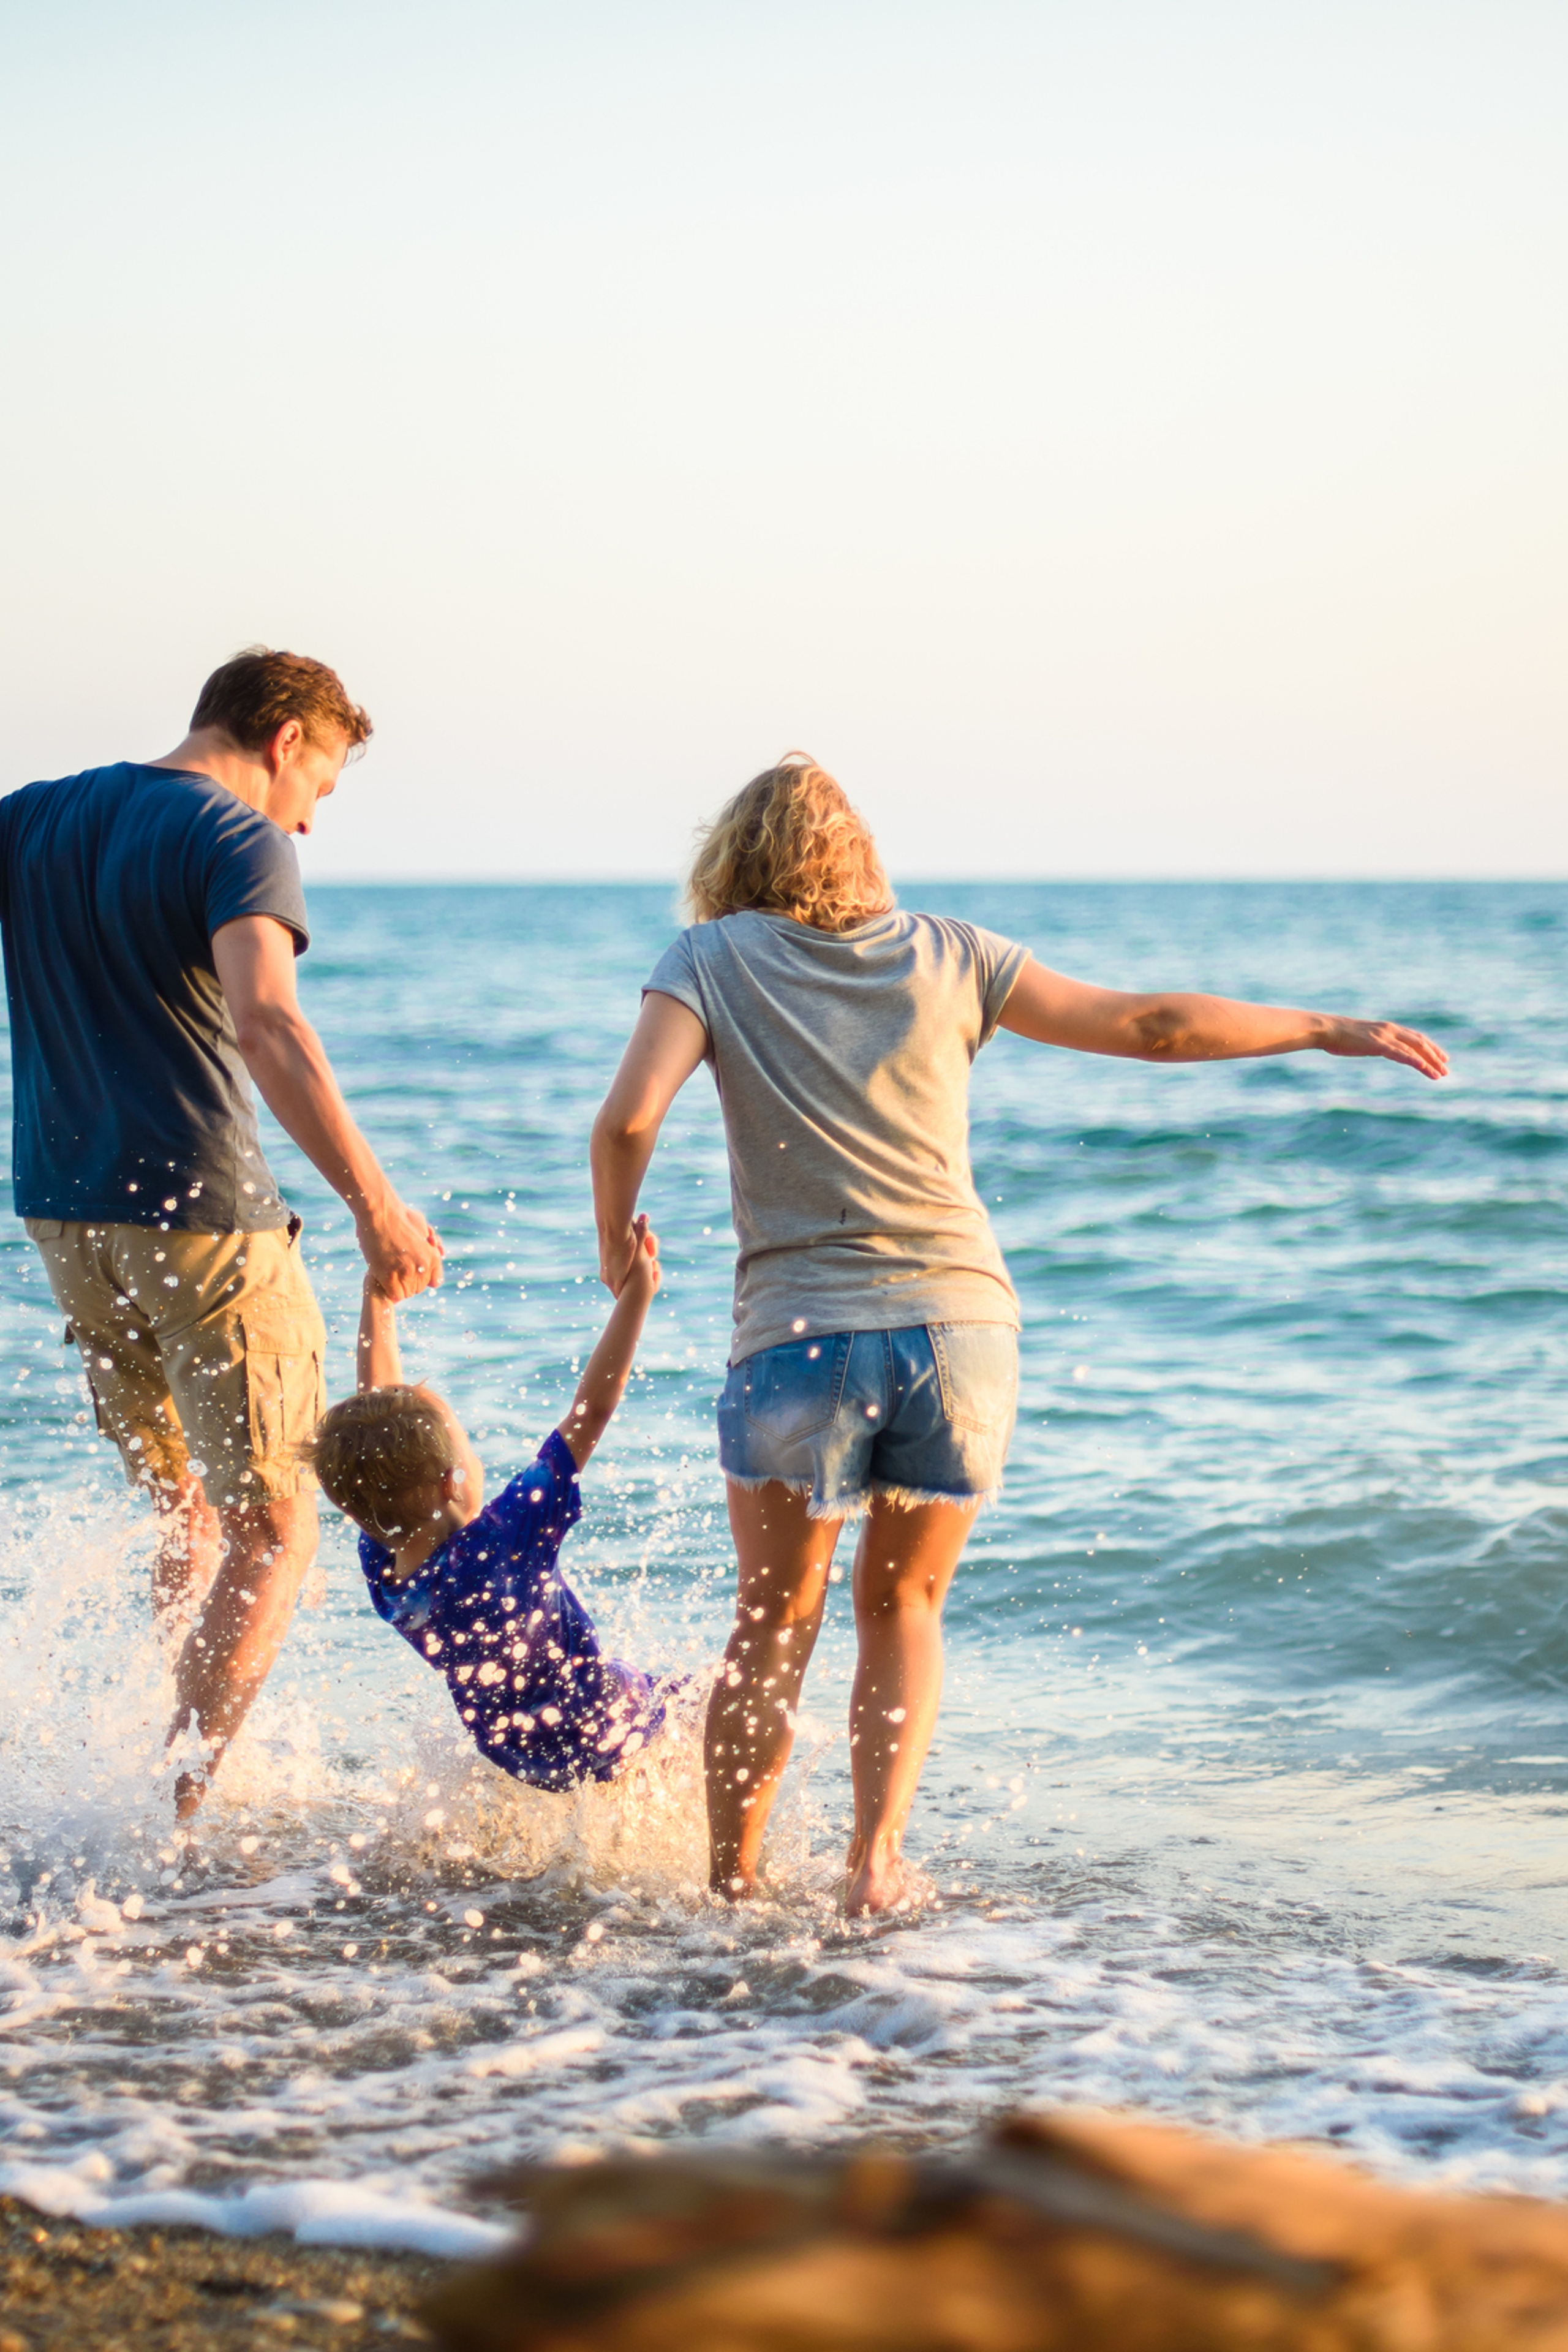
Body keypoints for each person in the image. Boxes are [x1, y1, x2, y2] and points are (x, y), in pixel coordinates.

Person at [590, 755, 1448, 1916]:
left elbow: (629, 1119)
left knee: (772, 1617)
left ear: (732, 860)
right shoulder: (955, 954)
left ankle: (734, 1886)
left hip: (797, 1332)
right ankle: (874, 1866)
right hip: (961, 1329)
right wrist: (1319, 1027)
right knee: (905, 1609)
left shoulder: (708, 958)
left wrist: (613, 1250)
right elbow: (1149, 1026)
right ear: (860, 858)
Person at [0, 647, 443, 1817]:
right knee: (277, 1527)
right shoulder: (239, 837)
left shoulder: (33, 818)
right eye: (324, 787)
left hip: (61, 1216)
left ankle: (144, 1770)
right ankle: (172, 1820)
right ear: (285, 739)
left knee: (189, 1509)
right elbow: (268, 1021)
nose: (313, 817)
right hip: (201, 1220)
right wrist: (376, 1207)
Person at [307, 1218, 667, 1787]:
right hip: (604, 1719)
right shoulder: (501, 1544)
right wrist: (638, 1294)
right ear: (454, 1481)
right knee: (706, 1694)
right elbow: (589, 1413)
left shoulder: (387, 1571)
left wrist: (379, 1299)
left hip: (518, 1754)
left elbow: (375, 1418)